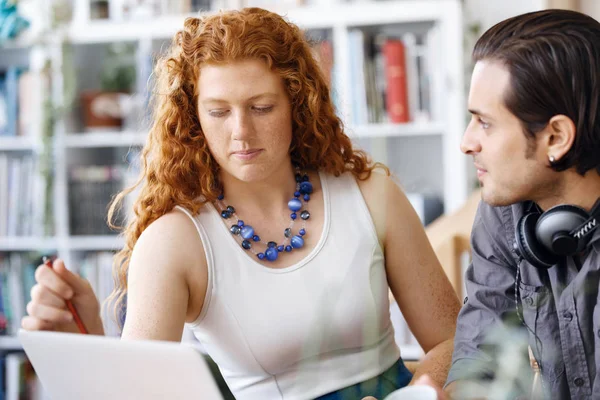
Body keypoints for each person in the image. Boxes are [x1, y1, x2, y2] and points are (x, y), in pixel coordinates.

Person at [21, 7, 461, 400]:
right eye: (218, 112)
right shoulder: (174, 241)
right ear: (194, 118)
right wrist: (89, 341)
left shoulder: (371, 194)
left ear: (298, 104)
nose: (241, 133)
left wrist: (423, 388)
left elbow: (456, 340)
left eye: (262, 107)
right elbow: (138, 393)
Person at [418, 9, 600, 400]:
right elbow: (480, 358)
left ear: (555, 137)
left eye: (485, 123)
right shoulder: (505, 213)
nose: (466, 143)